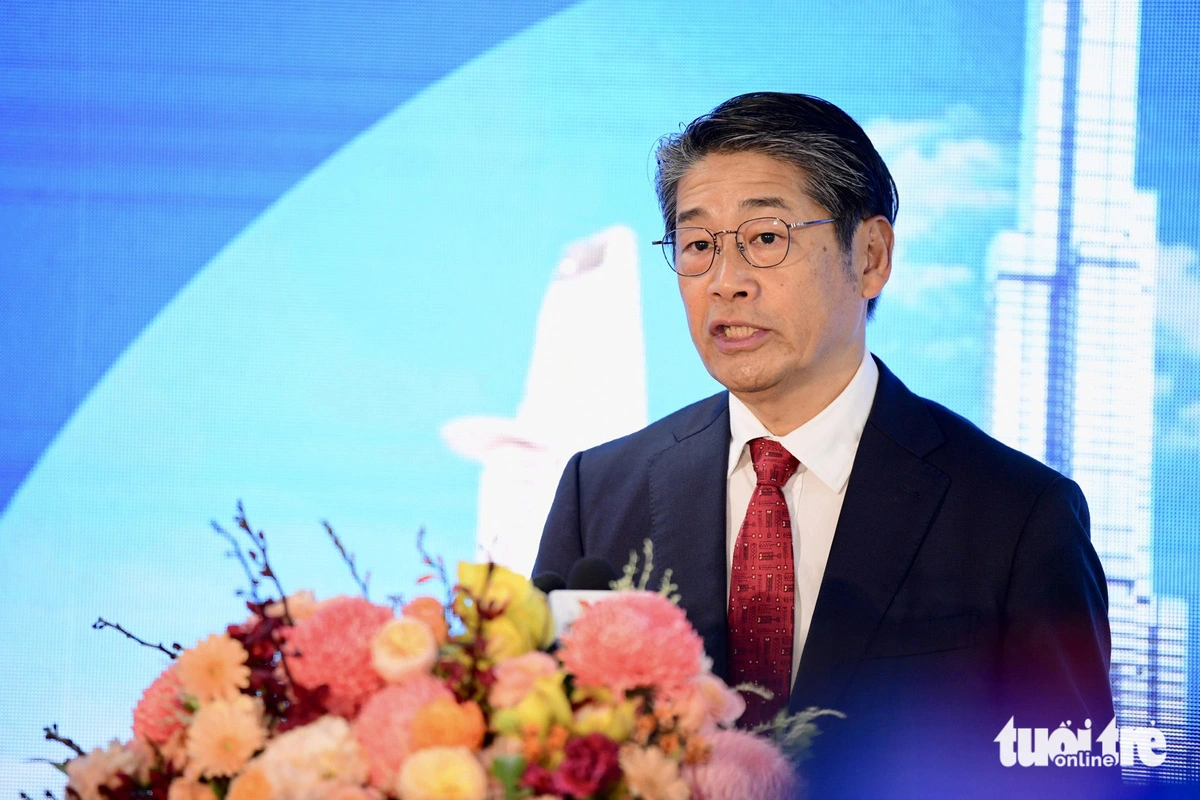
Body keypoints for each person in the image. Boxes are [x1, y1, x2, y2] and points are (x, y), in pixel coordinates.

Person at [533, 92, 1116, 798]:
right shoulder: (602, 492)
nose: (726, 282)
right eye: (698, 246)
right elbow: (545, 753)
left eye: (767, 238)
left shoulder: (1017, 517)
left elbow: (1071, 785)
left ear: (869, 257)